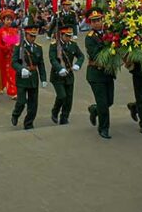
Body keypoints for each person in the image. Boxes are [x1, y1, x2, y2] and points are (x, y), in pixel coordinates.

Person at [85, 10, 117, 139]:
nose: (97, 23)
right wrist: (109, 45)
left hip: (108, 73)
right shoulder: (90, 37)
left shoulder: (109, 32)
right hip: (96, 74)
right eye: (94, 21)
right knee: (103, 103)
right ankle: (104, 128)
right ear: (90, 23)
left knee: (109, 101)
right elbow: (95, 54)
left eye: (99, 20)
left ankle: (94, 109)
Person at [10, 20, 46, 130]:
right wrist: (21, 69)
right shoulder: (19, 46)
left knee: (33, 104)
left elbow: (41, 64)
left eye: (34, 36)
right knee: (21, 101)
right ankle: (15, 114)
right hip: (22, 78)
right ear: (26, 34)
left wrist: (43, 78)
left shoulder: (38, 47)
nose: (33, 38)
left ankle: (29, 123)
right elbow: (14, 62)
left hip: (33, 77)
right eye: (31, 35)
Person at [48, 25, 84, 125]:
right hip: (57, 75)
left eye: (70, 36)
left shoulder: (73, 45)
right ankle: (55, 111)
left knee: (69, 98)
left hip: (69, 74)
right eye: (67, 36)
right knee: (62, 96)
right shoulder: (54, 45)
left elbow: (81, 56)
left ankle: (64, 117)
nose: (69, 38)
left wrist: (78, 64)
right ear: (61, 35)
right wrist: (60, 68)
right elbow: (52, 59)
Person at [0, 9, 19, 97]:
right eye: (7, 19)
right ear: (3, 20)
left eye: (10, 20)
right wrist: (6, 48)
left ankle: (12, 91)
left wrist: (14, 47)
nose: (9, 21)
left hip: (12, 55)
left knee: (11, 73)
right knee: (3, 72)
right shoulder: (0, 32)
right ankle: (0, 86)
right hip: (3, 55)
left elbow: (17, 42)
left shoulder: (14, 31)